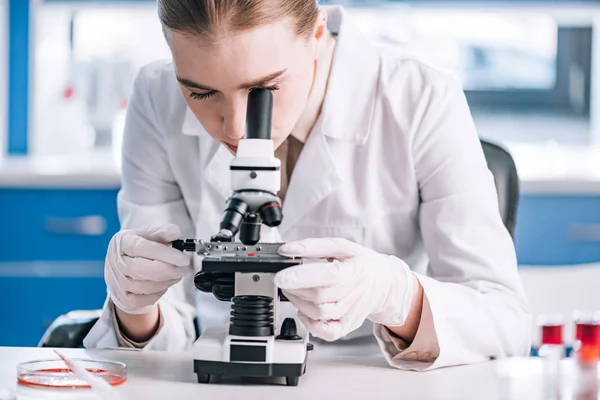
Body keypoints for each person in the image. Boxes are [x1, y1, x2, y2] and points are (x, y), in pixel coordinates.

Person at [84, 0, 532, 371]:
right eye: (201, 94)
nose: (237, 128)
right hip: (221, 374)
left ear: (318, 34)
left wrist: (396, 295)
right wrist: (135, 306)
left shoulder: (420, 98)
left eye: (264, 88)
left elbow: (504, 321)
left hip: (374, 379)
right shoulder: (155, 95)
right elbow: (161, 337)